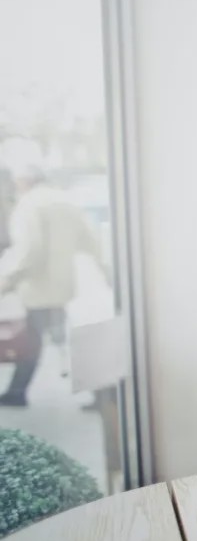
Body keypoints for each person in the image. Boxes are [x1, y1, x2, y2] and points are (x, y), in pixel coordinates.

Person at [0, 138, 108, 406]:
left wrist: (6, 281)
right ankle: (101, 394)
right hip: (68, 286)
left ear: (22, 180)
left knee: (33, 340)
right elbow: (90, 241)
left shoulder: (28, 206)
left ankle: (17, 392)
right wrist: (105, 274)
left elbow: (29, 252)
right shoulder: (65, 200)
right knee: (66, 340)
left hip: (39, 288)